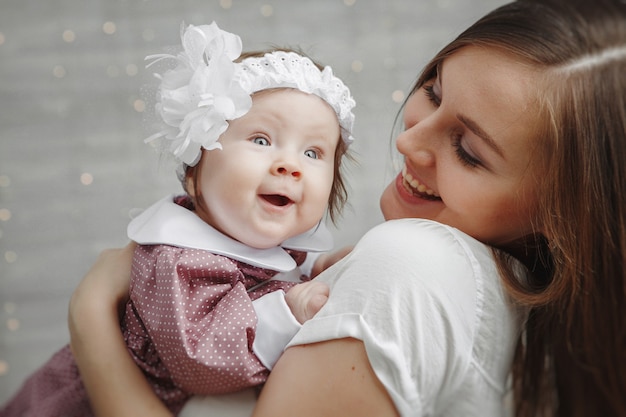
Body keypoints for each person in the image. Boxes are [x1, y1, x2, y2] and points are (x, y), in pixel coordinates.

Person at [67, 0, 626, 416]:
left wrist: (91, 313)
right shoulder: (549, 328)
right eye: (432, 90)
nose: (408, 143)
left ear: (568, 213)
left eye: (469, 151)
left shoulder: (413, 263)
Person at [0, 22, 357, 417]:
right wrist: (289, 310)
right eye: (261, 140)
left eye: (313, 153)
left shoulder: (268, 240)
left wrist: (321, 269)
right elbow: (202, 360)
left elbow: (282, 270)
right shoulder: (177, 257)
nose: (290, 165)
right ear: (194, 171)